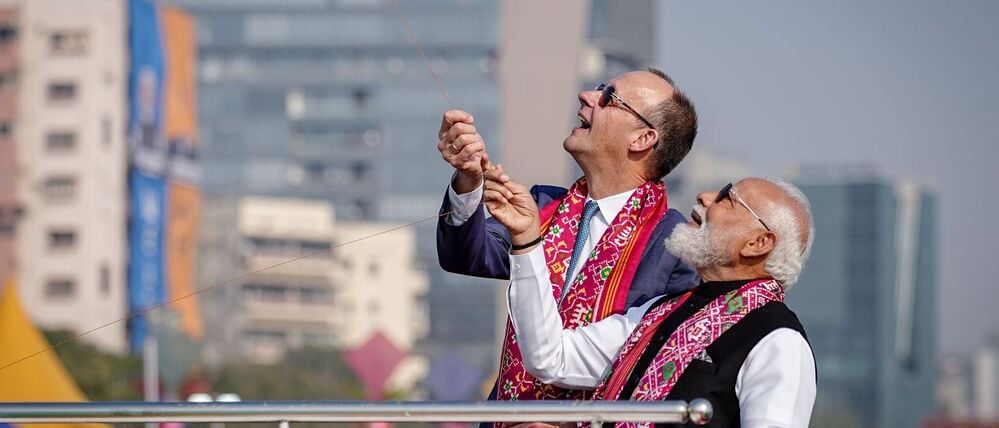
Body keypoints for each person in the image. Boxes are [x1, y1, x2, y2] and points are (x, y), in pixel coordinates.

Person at [436, 69, 699, 401]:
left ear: (642, 139)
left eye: (609, 97)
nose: (587, 96)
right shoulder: (543, 207)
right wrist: (469, 180)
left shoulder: (675, 246)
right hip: (508, 418)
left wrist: (569, 422)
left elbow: (660, 367)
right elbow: (464, 256)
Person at [487, 172, 817, 427]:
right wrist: (527, 241)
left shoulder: (778, 340)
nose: (705, 196)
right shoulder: (659, 313)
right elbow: (550, 357)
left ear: (758, 243)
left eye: (727, 197)